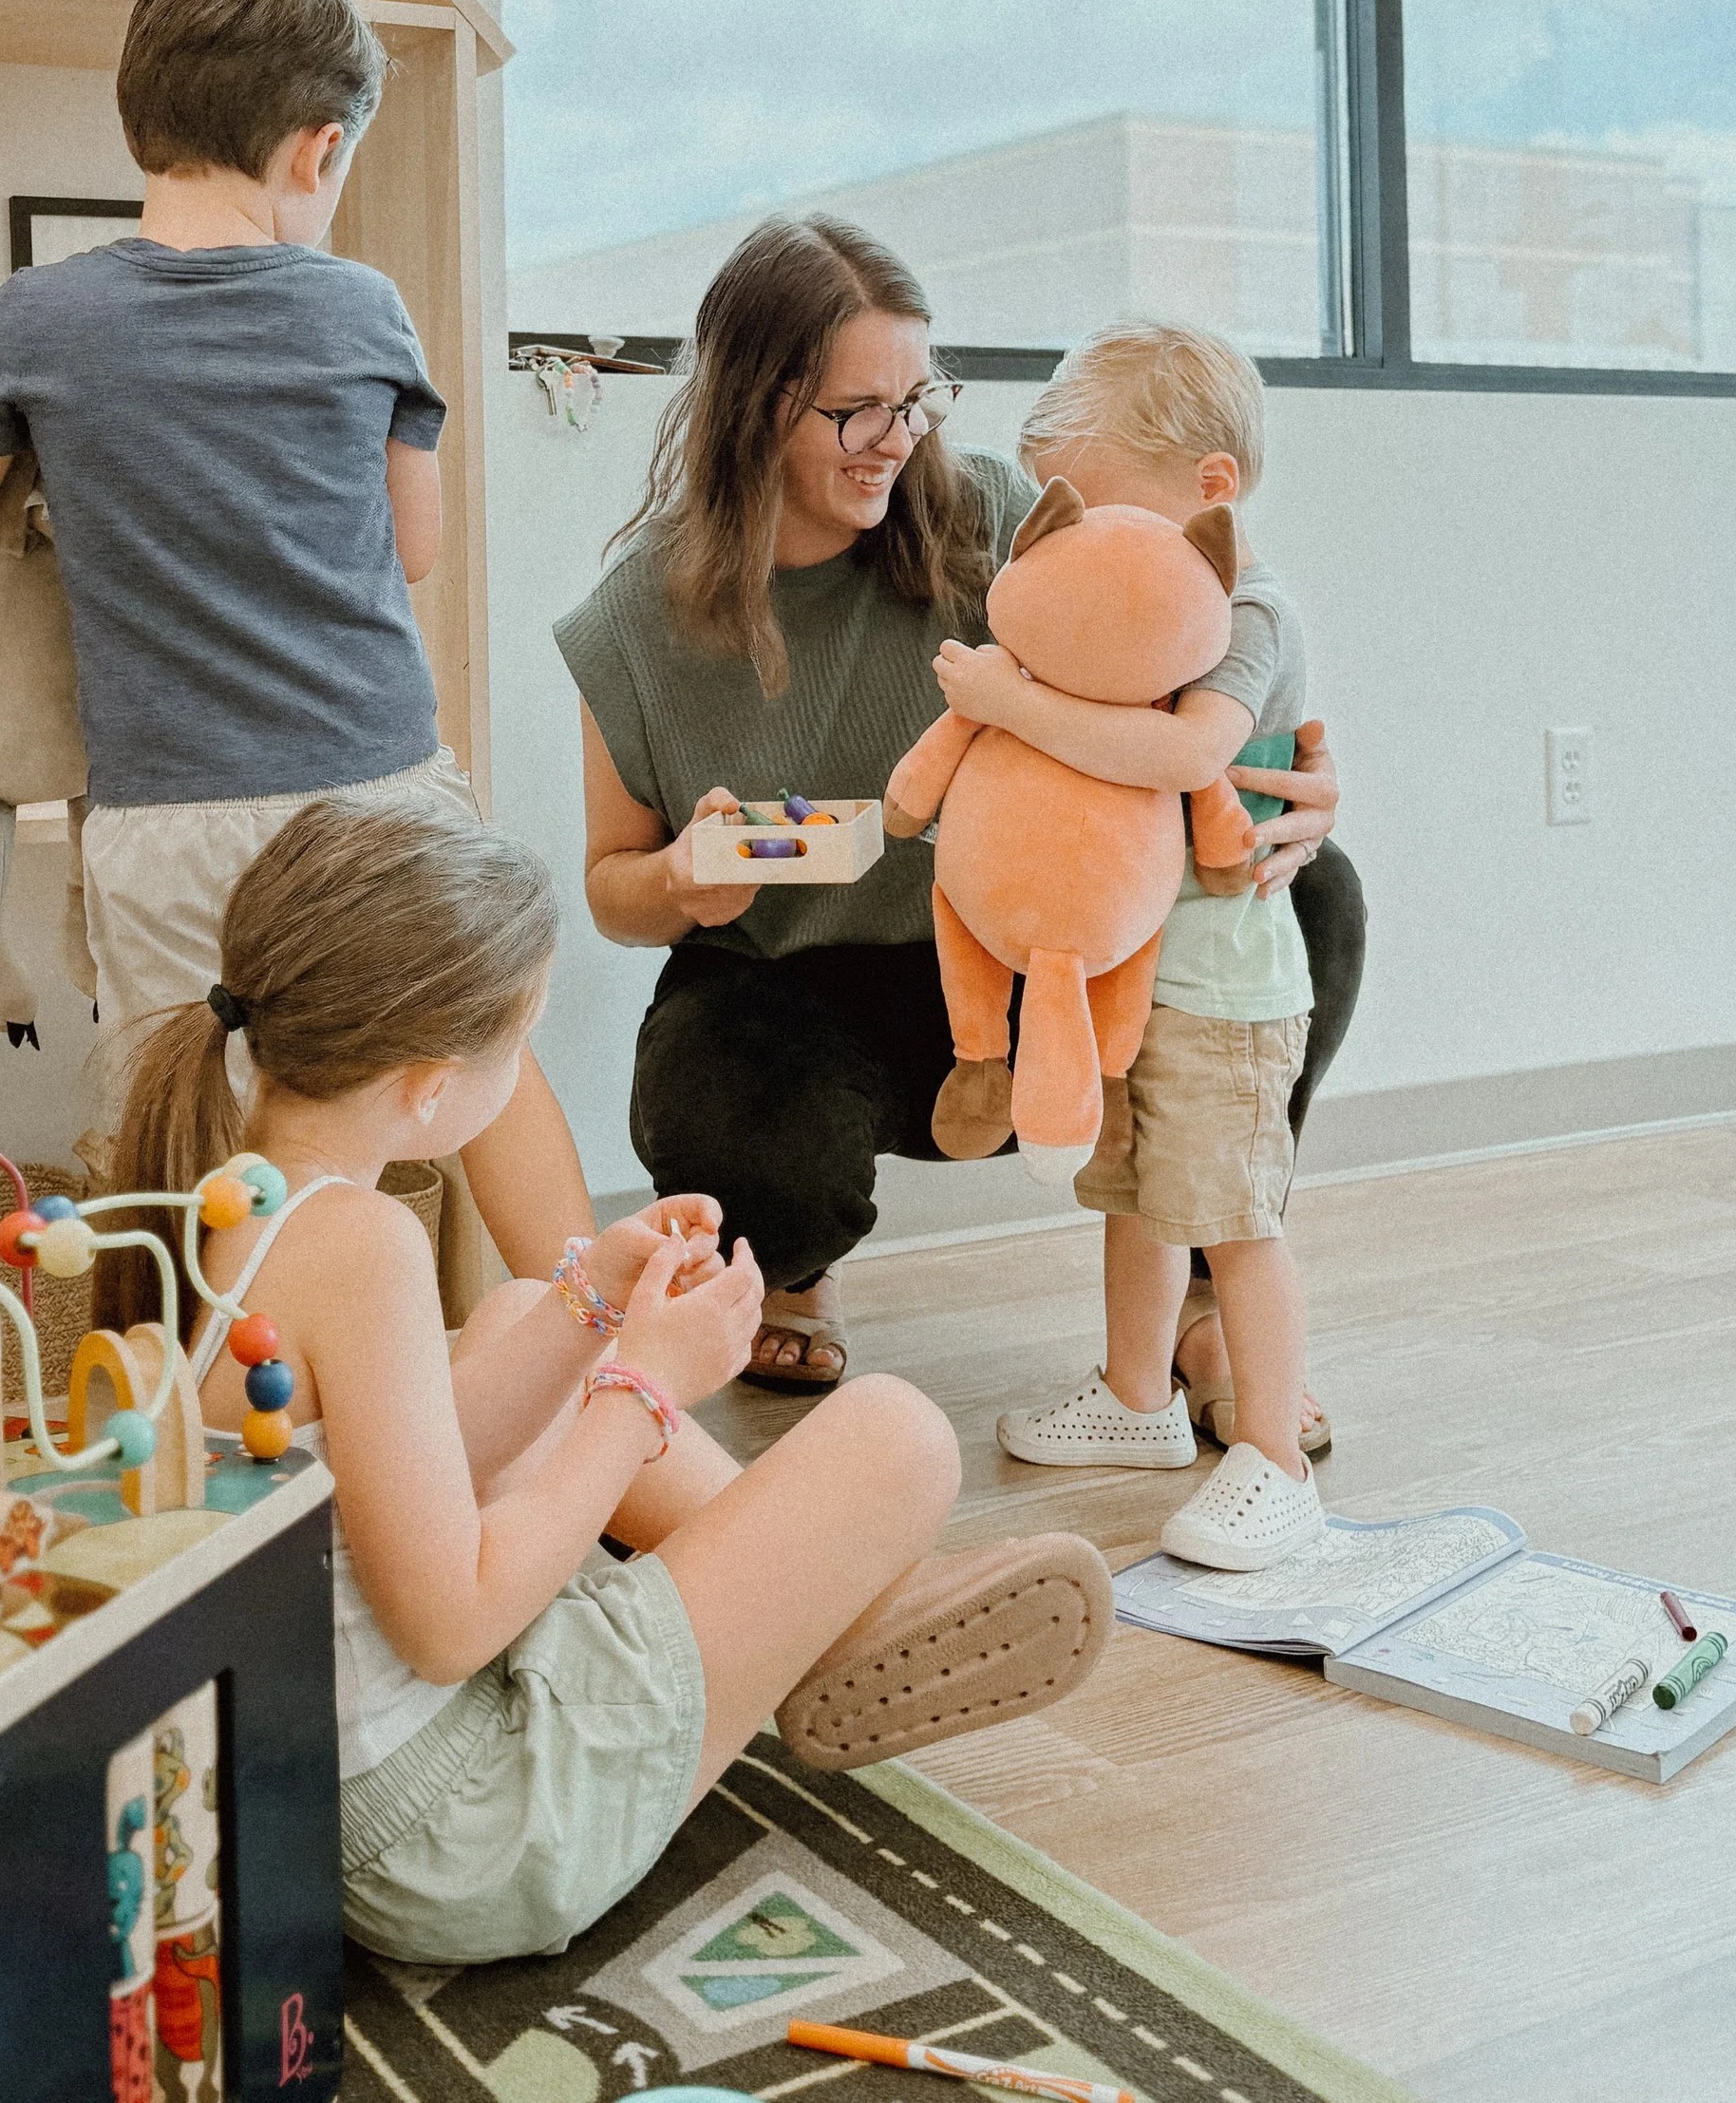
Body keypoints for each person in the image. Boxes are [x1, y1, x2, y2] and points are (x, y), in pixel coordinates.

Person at [97, 797, 1113, 1963]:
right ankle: (842, 1619)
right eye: (514, 1044)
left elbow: (371, 1483)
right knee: (898, 1434)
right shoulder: (365, 1247)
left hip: (352, 1799)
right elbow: (451, 1623)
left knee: (532, 1309)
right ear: (429, 1087)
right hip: (465, 1834)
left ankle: (835, 1620)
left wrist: (594, 1307)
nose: (519, 1070)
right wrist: (641, 1388)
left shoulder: (239, 1192)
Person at [0, 0, 594, 1274]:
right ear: (318, 151)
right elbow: (416, 547)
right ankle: (601, 1338)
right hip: (374, 783)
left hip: (172, 809)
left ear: (143, 121)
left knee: (193, 1128)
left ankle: (224, 1421)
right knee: (476, 1045)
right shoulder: (363, 310)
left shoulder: (38, 318)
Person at [557, 216, 1356, 1395]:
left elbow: (1209, 633)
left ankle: (1204, 1283)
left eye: (916, 399)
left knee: (1317, 905)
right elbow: (611, 887)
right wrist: (679, 878)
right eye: (855, 411)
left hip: (1037, 949)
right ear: (755, 405)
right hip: (803, 980)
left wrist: (1299, 793)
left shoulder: (1004, 519)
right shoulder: (636, 620)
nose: (896, 440)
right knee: (719, 1098)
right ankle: (793, 1264)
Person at [987, 324, 1325, 1567]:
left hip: (1225, 986)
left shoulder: (1247, 610)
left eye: (1108, 514)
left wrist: (1015, 703)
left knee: (1230, 1213)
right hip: (1141, 973)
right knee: (1137, 1196)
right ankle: (1138, 1397)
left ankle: (1277, 1456)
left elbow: (1190, 757)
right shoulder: (1120, 618)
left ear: (1209, 488)